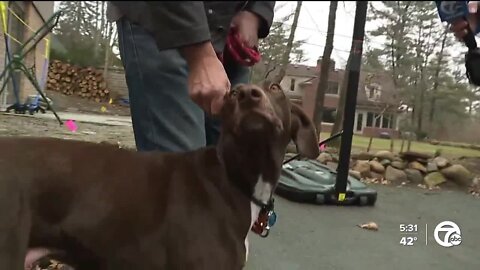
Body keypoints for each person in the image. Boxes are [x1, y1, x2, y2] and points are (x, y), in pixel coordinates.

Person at [106, 2, 275, 152]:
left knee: (231, 168)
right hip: (158, 18)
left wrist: (255, 11)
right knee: (182, 173)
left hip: (229, 25)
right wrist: (200, 54)